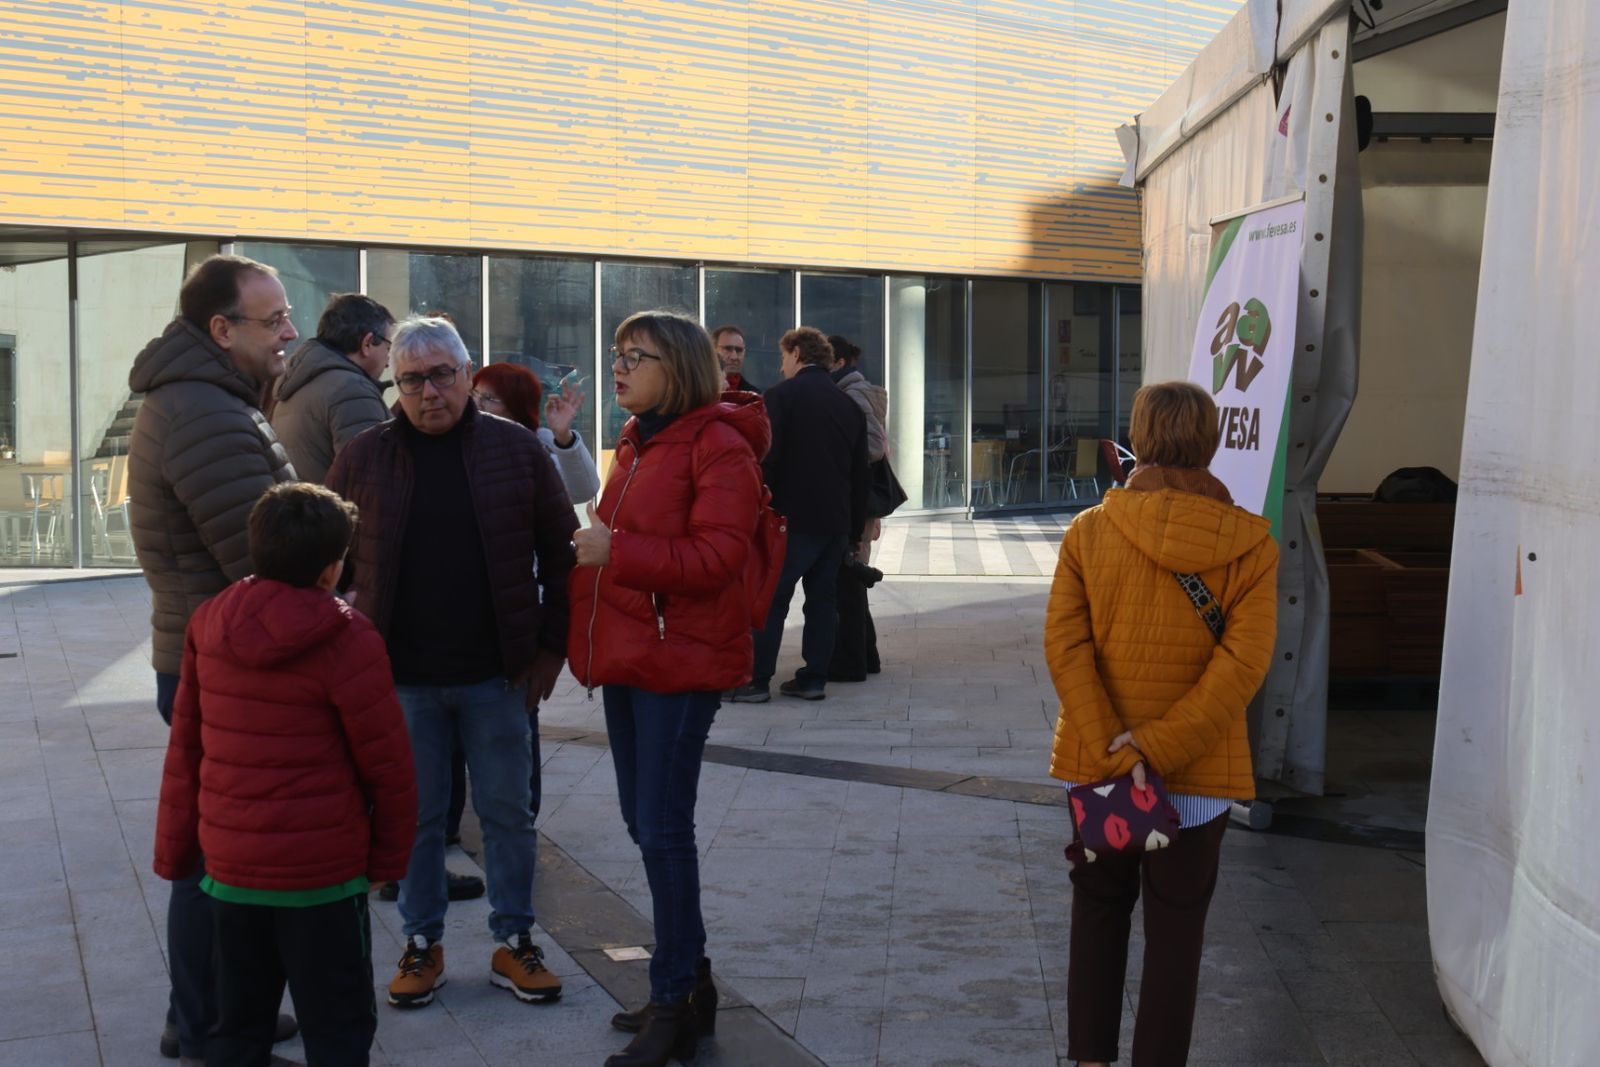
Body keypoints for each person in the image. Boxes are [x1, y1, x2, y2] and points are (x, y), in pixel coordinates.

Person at [326, 315, 577, 1010]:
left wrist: (552, 648)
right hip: (400, 678)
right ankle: (421, 943)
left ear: (468, 375)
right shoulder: (361, 456)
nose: (429, 391)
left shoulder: (518, 451)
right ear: (395, 385)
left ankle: (515, 938)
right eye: (412, 379)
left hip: (496, 674)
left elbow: (562, 555)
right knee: (415, 818)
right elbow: (329, 565)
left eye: (443, 375)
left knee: (508, 815)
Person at [1045, 381, 1278, 1067]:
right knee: (1177, 933)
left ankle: (1090, 1059)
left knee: (1098, 908)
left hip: (1101, 763)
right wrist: (1159, 744)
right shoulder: (1251, 544)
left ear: (1138, 438)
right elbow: (1242, 666)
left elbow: (1066, 646)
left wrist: (1120, 749)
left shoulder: (1090, 531)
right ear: (1212, 441)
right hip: (1198, 775)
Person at [154, 483, 417, 1067]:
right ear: (331, 570)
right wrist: (386, 863)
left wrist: (177, 855)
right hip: (323, 876)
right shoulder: (349, 636)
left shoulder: (208, 622)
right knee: (339, 1025)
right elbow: (389, 767)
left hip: (230, 871)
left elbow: (186, 751)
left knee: (237, 1025)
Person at [568, 310, 767, 1067]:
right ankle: (693, 980)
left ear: (676, 366)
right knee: (642, 821)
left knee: (661, 828)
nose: (617, 367)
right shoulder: (639, 440)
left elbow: (718, 557)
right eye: (616, 353)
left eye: (635, 356)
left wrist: (618, 549)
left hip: (681, 664)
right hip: (634, 656)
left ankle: (676, 996)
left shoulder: (720, 447)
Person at [127, 253, 299, 1063]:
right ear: (221, 329)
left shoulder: (213, 397)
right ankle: (202, 1024)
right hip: (222, 667)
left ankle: (229, 1010)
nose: (288, 333)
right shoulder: (203, 410)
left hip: (208, 657)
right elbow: (266, 561)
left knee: (229, 853)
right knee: (212, 861)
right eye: (273, 321)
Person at [730, 327, 867, 703]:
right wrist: (854, 531)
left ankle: (756, 681)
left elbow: (768, 458)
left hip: (791, 520)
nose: (781, 366)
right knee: (823, 600)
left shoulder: (781, 396)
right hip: (836, 522)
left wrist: (757, 508)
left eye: (782, 358)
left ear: (795, 353)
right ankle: (813, 679)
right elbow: (860, 473)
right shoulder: (848, 405)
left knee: (771, 597)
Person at [267, 293, 394, 483]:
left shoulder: (296, 383)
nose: (388, 362)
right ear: (367, 343)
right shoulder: (353, 391)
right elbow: (372, 488)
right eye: (388, 348)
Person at [825, 334, 887, 682]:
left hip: (856, 501)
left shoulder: (854, 394)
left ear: (840, 363)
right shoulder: (852, 391)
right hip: (857, 500)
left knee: (848, 580)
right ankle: (866, 656)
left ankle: (855, 661)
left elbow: (874, 446)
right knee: (852, 579)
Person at [711, 324, 760, 393]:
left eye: (739, 350)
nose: (734, 357)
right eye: (727, 349)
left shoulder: (754, 396)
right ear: (712, 350)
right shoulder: (696, 389)